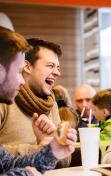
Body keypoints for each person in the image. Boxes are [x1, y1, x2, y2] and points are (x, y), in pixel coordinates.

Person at [0, 26, 77, 175]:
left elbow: (4, 161)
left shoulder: (51, 104)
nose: (57, 72)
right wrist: (38, 150)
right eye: (50, 66)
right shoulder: (4, 102)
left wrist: (52, 150)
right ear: (27, 67)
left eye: (58, 67)